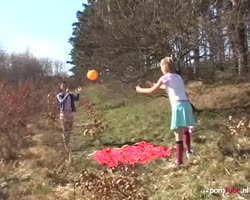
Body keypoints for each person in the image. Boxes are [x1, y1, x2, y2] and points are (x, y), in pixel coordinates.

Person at [136, 57, 195, 168]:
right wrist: (154, 83)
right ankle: (189, 152)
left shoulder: (165, 77)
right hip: (186, 104)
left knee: (178, 134)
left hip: (177, 106)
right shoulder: (178, 77)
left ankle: (179, 162)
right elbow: (168, 87)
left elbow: (151, 91)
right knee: (186, 129)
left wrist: (140, 90)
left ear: (164, 68)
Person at [56, 81, 81, 162]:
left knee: (70, 130)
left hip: (70, 114)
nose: (64, 87)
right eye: (62, 86)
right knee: (65, 131)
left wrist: (78, 93)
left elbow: (76, 99)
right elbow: (61, 101)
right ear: (60, 87)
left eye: (65, 85)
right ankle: (66, 147)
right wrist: (66, 94)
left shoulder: (70, 94)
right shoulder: (59, 95)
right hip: (63, 115)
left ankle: (70, 145)